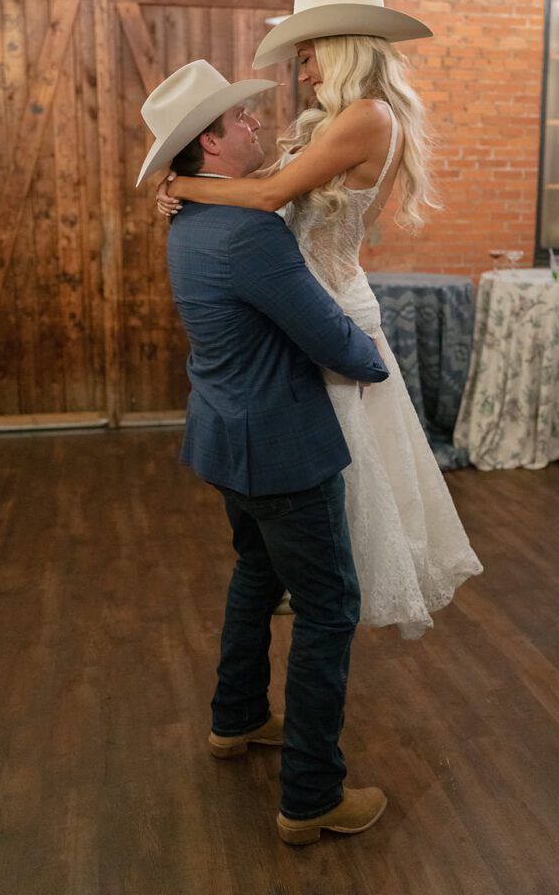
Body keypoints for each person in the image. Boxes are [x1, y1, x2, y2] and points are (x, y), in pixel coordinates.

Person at [156, 0, 484, 641]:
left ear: (339, 50)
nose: (303, 75)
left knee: (332, 471)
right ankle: (302, 577)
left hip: (330, 311)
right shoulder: (346, 118)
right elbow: (265, 193)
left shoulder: (368, 116)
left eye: (306, 57)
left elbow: (268, 193)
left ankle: (317, 585)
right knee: (326, 474)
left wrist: (181, 182)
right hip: (308, 302)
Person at [137, 59, 391, 844]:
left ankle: (235, 720)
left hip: (224, 435)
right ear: (210, 144)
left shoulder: (191, 220)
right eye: (239, 120)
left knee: (255, 574)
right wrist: (377, 358)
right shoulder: (246, 232)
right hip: (280, 446)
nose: (257, 125)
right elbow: (329, 338)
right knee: (328, 609)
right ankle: (311, 797)